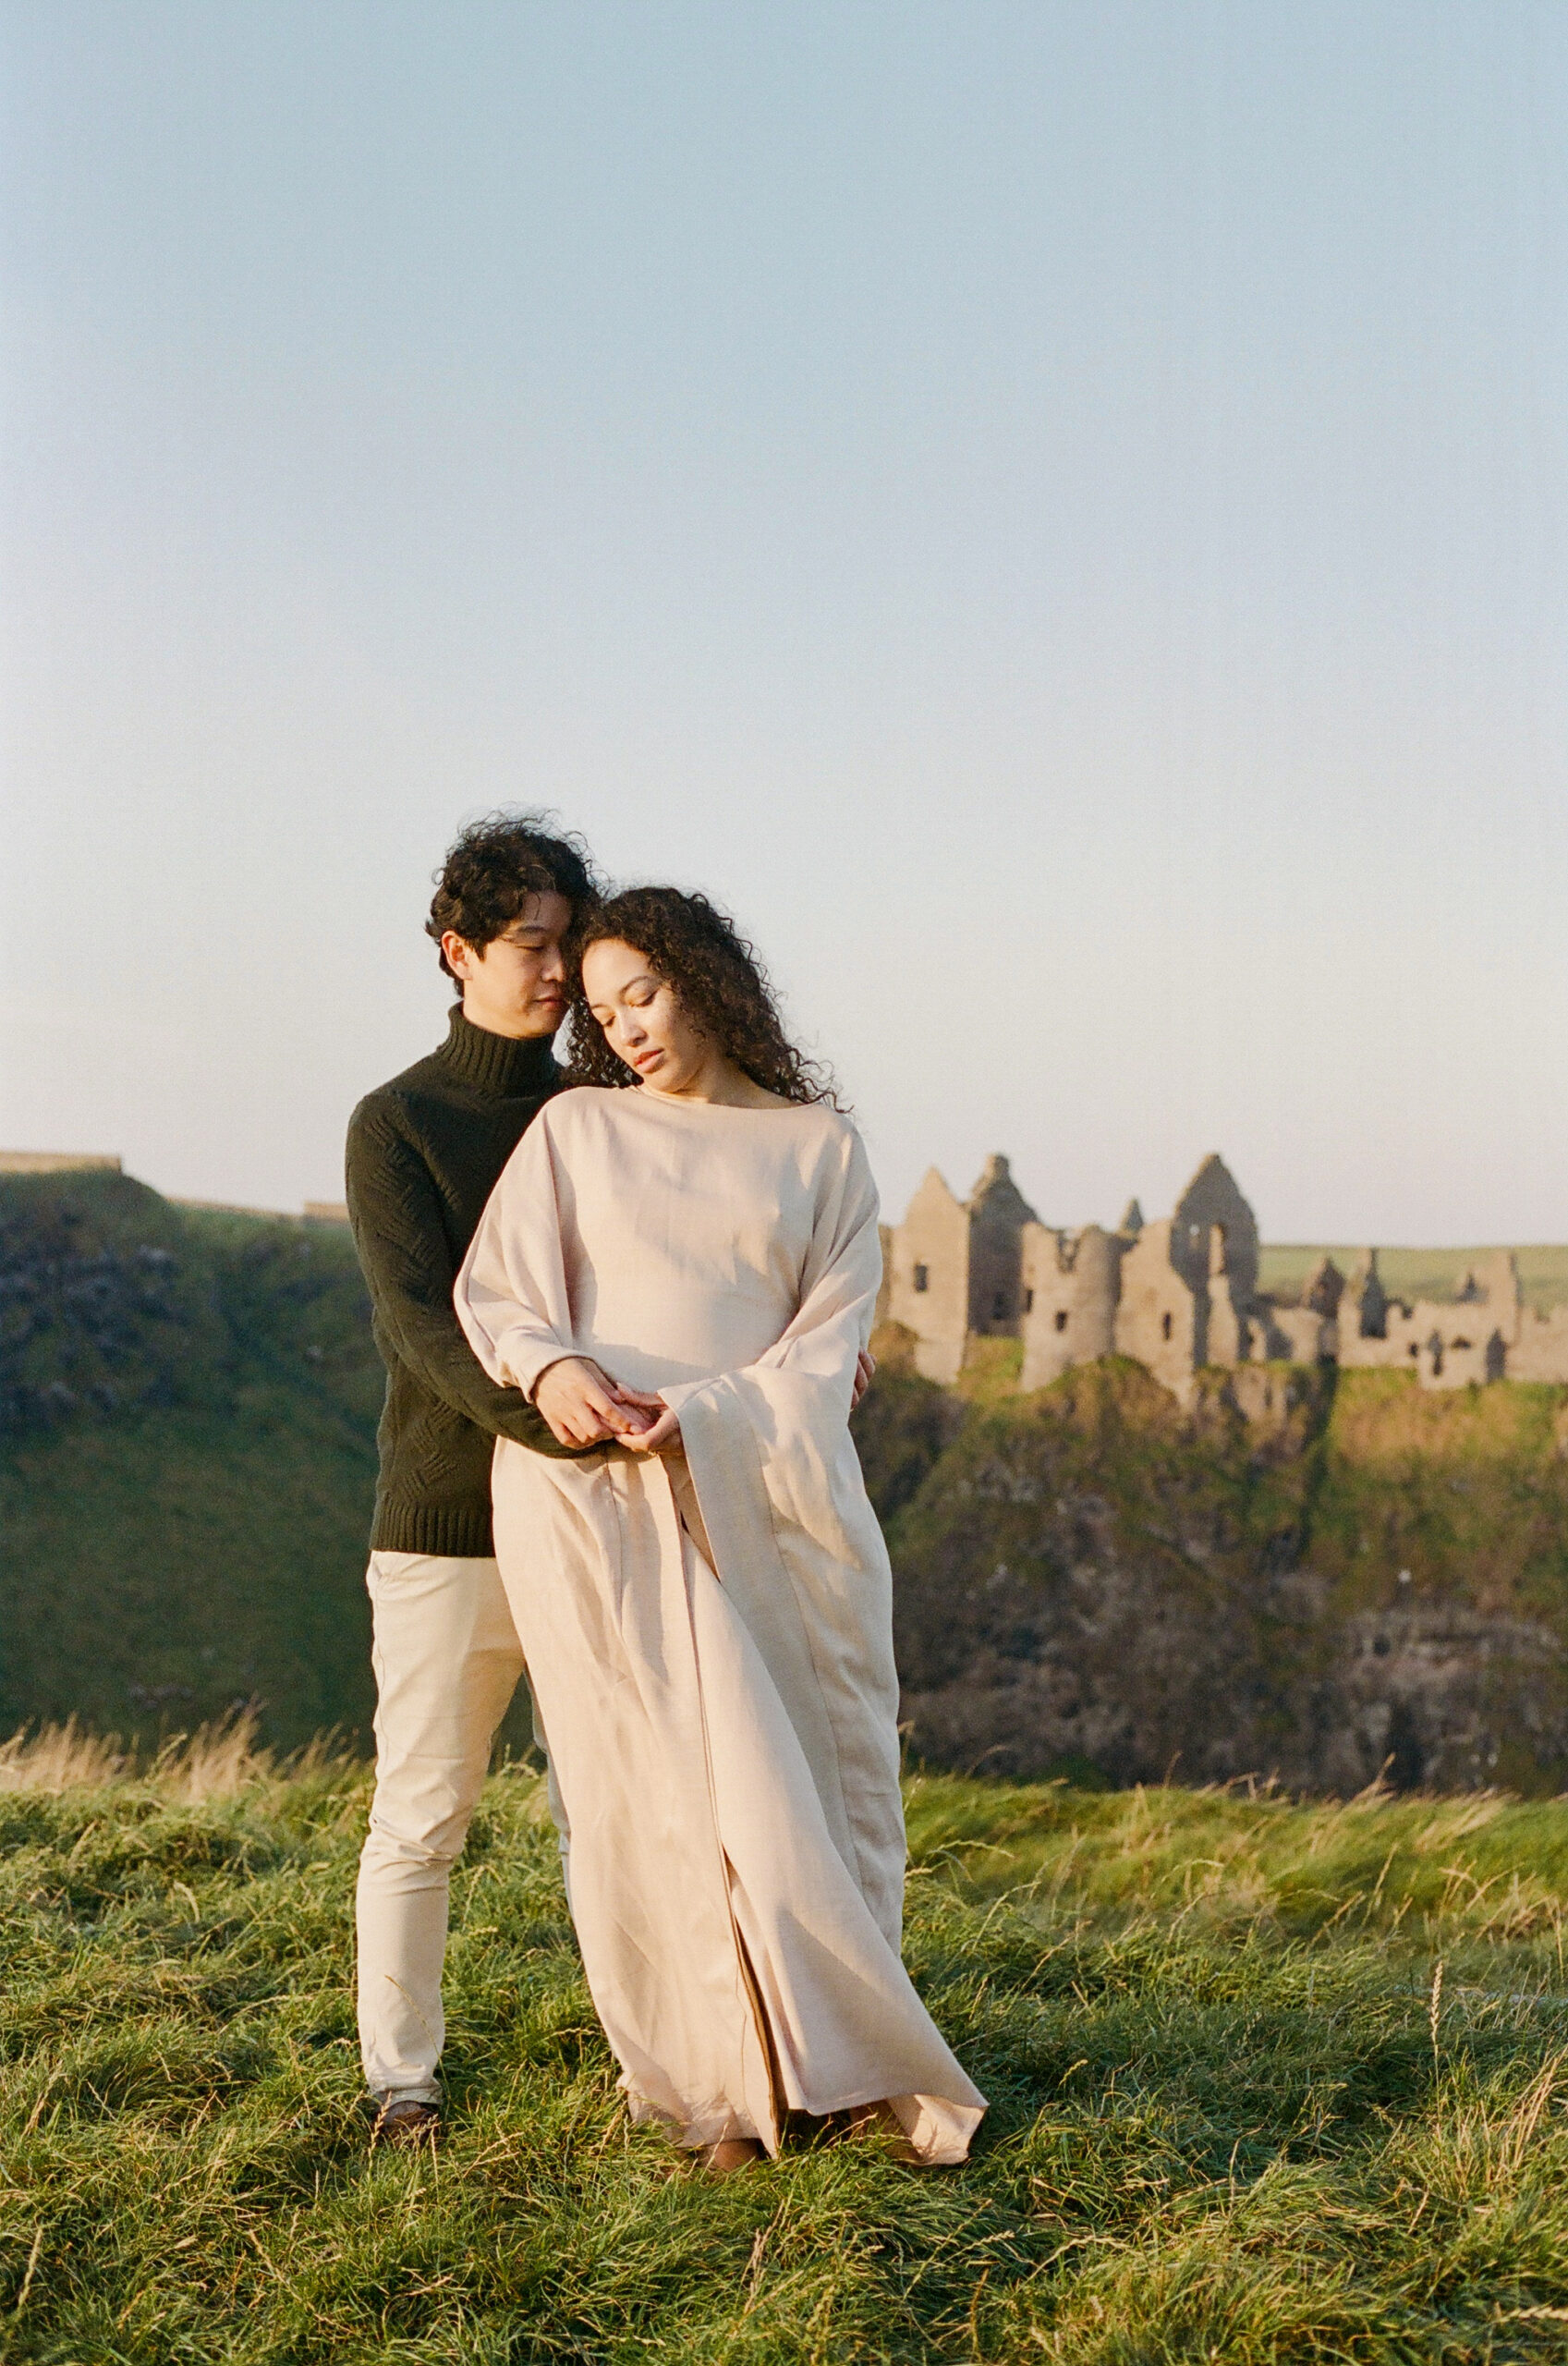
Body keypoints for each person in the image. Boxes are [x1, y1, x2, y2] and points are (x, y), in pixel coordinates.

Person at [455, 887, 986, 2171]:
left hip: (757, 1490)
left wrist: (703, 1414)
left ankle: (836, 2063)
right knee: (644, 1789)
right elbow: (502, 1294)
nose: (622, 1028)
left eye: (640, 992)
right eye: (598, 1009)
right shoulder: (578, 1129)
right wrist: (553, 1377)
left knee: (796, 1767)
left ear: (703, 978)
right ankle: (714, 2090)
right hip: (592, 1494)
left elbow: (826, 1348)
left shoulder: (817, 1149)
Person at [345, 812, 644, 2145]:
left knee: (614, 1809)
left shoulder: (609, 1112)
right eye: (531, 945)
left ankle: (654, 2066)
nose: (556, 971)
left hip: (599, 1516)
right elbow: (419, 1323)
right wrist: (552, 1412)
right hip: (451, 1526)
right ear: (456, 950)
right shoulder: (396, 1122)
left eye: (569, 944)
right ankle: (401, 2083)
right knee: (423, 1817)